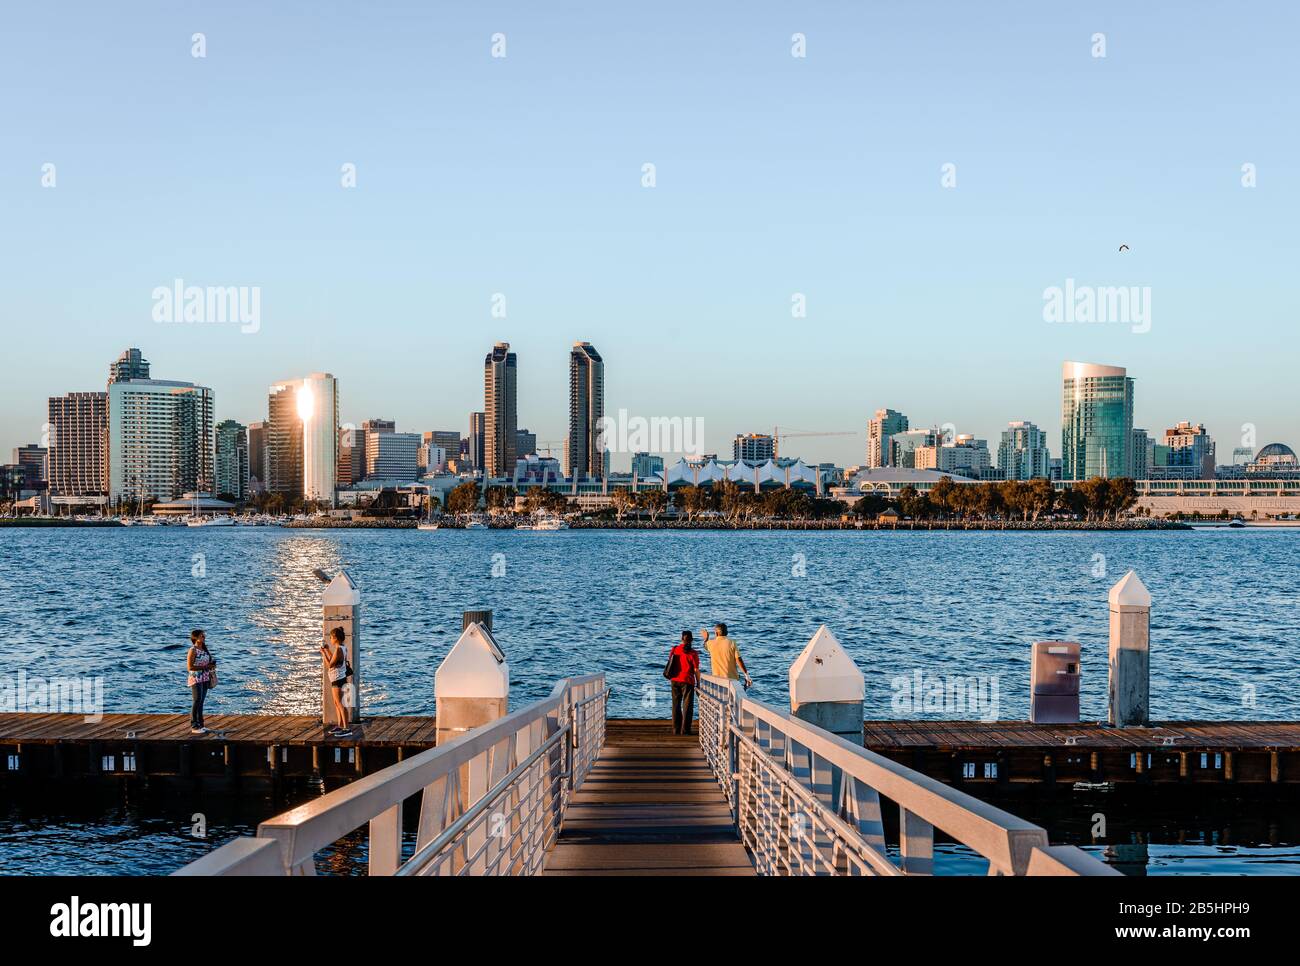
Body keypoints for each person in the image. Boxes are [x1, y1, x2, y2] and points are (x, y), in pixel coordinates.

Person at [320, 626, 352, 737]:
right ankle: (340, 725)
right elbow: (334, 660)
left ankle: (347, 728)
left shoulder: (339, 649)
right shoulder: (342, 647)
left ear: (335, 638)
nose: (330, 639)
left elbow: (329, 664)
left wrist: (323, 653)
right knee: (336, 703)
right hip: (338, 678)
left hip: (338, 679)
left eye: (331, 637)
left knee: (340, 704)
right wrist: (327, 650)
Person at [667, 630, 700, 736]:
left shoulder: (675, 649)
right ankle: (685, 730)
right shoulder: (693, 653)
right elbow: (696, 670)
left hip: (675, 680)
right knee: (687, 706)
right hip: (687, 681)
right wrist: (698, 683)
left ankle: (676, 729)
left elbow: (670, 662)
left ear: (682, 639)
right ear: (692, 640)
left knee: (675, 704)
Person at [702, 622, 752, 689]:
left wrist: (706, 638)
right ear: (727, 632)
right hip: (732, 680)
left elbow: (705, 646)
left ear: (716, 633)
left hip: (717, 679)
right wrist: (746, 675)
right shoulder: (732, 642)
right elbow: (738, 660)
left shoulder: (710, 643)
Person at [186, 629, 216, 735]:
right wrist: (206, 666)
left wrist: (211, 665)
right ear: (196, 637)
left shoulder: (204, 649)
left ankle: (201, 724)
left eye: (204, 636)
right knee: (197, 700)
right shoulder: (193, 650)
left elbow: (206, 662)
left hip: (205, 677)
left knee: (201, 701)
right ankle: (194, 725)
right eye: (202, 636)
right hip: (196, 678)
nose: (204, 637)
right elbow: (189, 667)